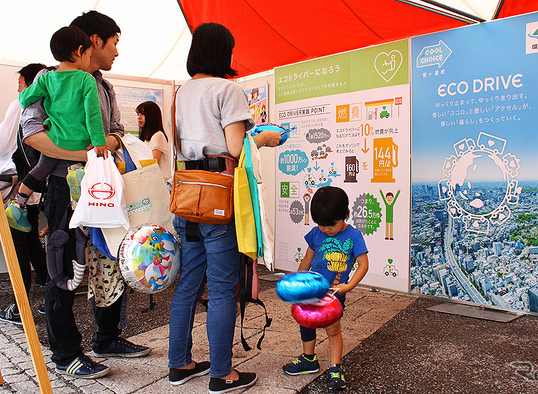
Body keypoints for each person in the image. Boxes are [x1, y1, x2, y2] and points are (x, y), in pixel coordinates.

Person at [21, 11, 150, 379]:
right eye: (114, 43)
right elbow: (31, 133)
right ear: (93, 42)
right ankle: (65, 353)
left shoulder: (105, 86)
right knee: (61, 267)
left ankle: (107, 337)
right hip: (65, 186)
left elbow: (117, 131)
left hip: (105, 186)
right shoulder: (50, 79)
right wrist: (89, 153)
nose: (116, 52)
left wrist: (106, 144)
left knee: (112, 256)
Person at [167, 22, 281, 393]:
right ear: (223, 52)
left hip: (187, 195)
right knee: (220, 288)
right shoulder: (227, 89)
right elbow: (235, 148)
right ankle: (222, 374)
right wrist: (263, 137)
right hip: (219, 196)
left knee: (188, 284)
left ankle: (180, 364)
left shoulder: (182, 92)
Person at [6, 26, 107, 235]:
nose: (89, 60)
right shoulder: (85, 79)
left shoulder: (46, 78)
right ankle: (77, 181)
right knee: (81, 166)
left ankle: (18, 205)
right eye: (88, 55)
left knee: (41, 168)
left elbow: (24, 98)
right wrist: (99, 142)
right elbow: (93, 114)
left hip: (55, 139)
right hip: (79, 140)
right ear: (80, 51)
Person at [282, 186, 369, 391]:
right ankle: (309, 359)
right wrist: (297, 281)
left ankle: (335, 367)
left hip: (333, 294)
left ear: (346, 214)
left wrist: (348, 286)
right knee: (307, 323)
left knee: (332, 329)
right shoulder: (315, 234)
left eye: (331, 225)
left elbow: (363, 264)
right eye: (321, 225)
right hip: (311, 290)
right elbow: (307, 259)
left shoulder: (353, 236)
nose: (327, 229)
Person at [0, 63, 48, 324]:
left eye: (19, 82)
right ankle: (49, 296)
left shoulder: (22, 103)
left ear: (28, 82)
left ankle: (20, 307)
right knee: (29, 242)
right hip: (38, 183)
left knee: (18, 243)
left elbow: (3, 142)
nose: (18, 88)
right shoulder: (48, 103)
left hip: (19, 186)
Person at [135, 100, 171, 181]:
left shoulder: (158, 135)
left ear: (151, 116)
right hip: (152, 179)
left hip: (159, 181)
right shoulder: (147, 139)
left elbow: (154, 163)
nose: (139, 117)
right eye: (138, 114)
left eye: (142, 114)